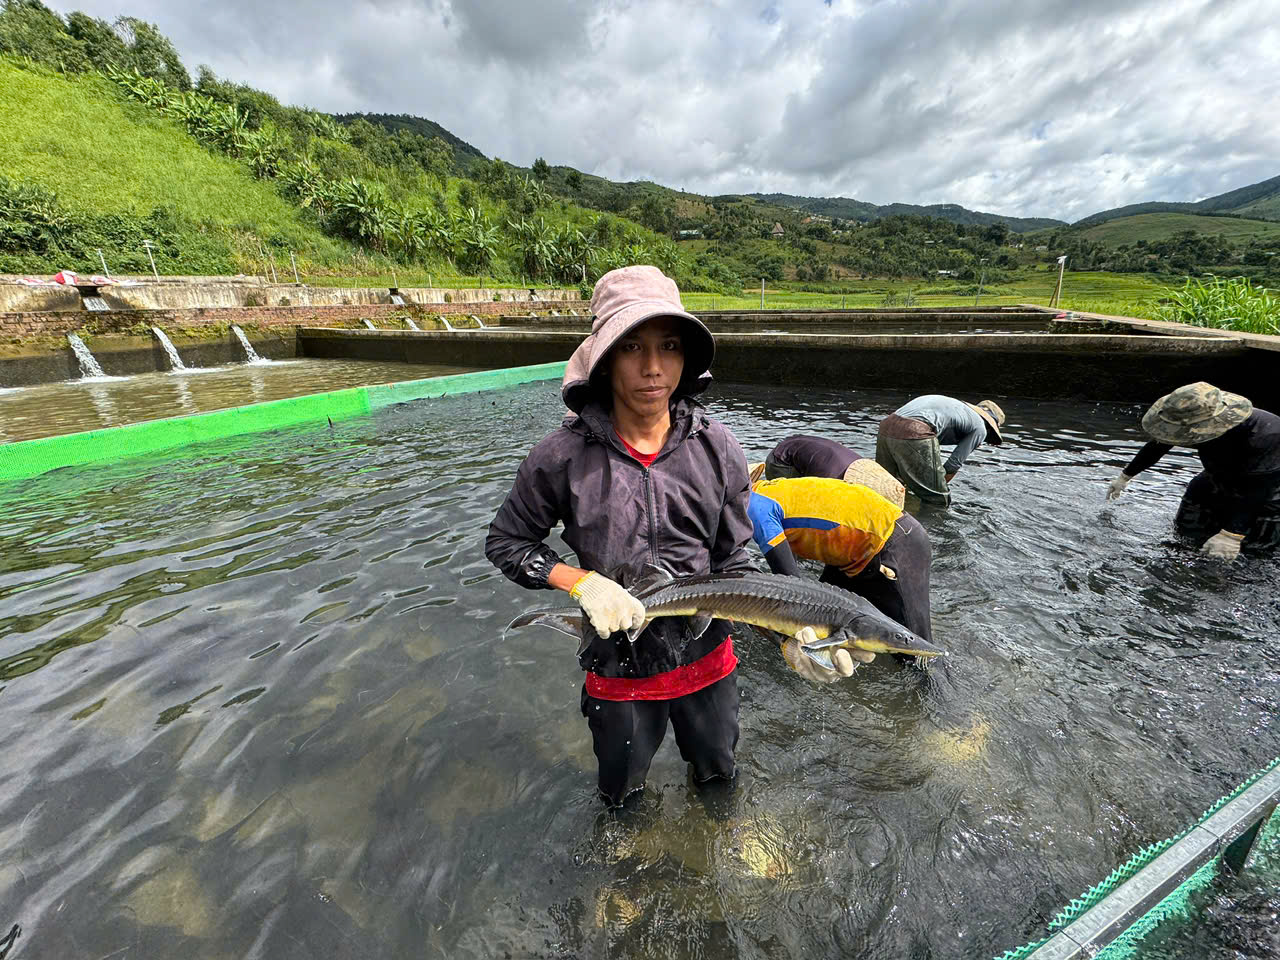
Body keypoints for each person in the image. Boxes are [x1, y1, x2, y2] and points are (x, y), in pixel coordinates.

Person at [486, 266, 859, 807]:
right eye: (632, 345)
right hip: (617, 670)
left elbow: (733, 566)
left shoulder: (719, 448)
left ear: (687, 359)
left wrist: (789, 634)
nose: (652, 367)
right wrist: (581, 582)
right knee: (621, 796)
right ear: (605, 356)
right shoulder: (560, 457)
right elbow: (507, 543)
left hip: (709, 665)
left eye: (668, 346)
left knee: (718, 782)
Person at [745, 470, 933, 658]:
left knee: (914, 650)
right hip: (850, 554)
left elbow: (792, 586)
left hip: (894, 542)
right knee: (826, 623)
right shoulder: (762, 491)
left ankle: (934, 684)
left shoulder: (755, 509)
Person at [1106, 382, 1280, 559]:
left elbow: (1260, 489)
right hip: (1217, 477)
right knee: (1183, 540)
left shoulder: (1267, 434)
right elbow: (1159, 444)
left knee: (1252, 555)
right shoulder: (1188, 417)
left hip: (1268, 491)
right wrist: (1125, 476)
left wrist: (1231, 535)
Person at [875, 395, 1005, 507]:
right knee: (938, 500)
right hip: (915, 429)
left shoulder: (956, 408)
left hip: (886, 426)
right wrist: (936, 487)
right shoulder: (980, 428)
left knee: (888, 487)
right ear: (990, 426)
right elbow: (953, 464)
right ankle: (927, 531)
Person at [764, 434, 906, 508]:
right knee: (788, 506)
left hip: (797, 445)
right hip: (781, 460)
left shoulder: (859, 464)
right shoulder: (831, 480)